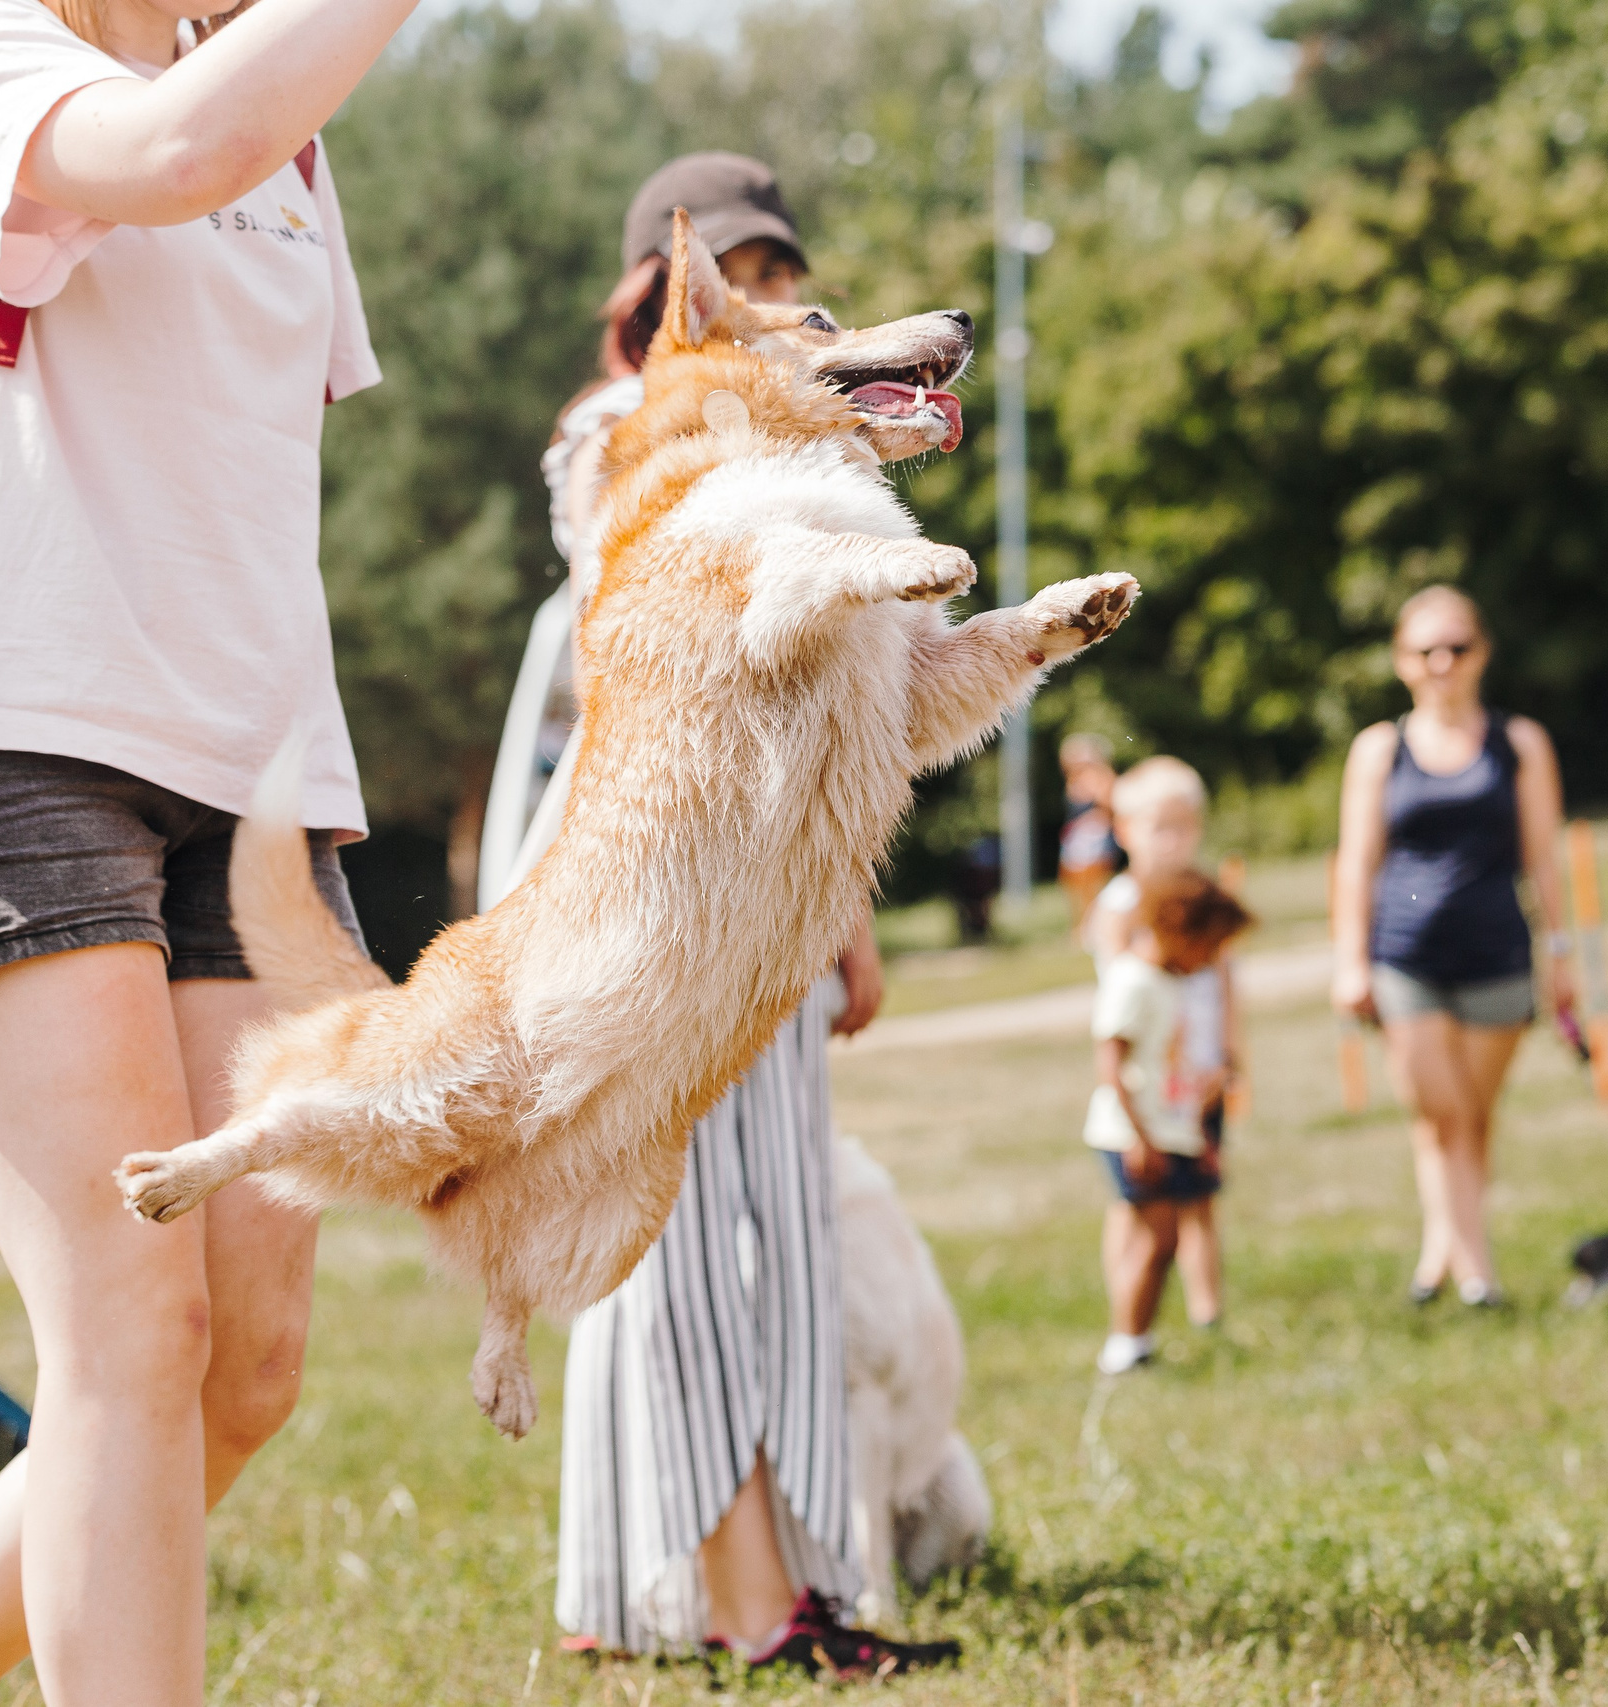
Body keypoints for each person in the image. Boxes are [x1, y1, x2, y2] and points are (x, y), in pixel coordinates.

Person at [0, 0, 402, 1699]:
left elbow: (247, 451)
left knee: (247, 1371)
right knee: (135, 1333)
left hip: (242, 772)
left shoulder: (280, 113)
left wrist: (308, 776)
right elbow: (166, 155)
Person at [538, 154, 956, 1678]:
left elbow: (837, 687)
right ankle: (744, 1595)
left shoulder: (809, 436)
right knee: (676, 1236)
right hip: (652, 876)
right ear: (664, 292)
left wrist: (841, 894)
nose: (771, 303)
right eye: (738, 277)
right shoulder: (613, 433)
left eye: (784, 275)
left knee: (771, 1222)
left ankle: (762, 1577)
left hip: (769, 867)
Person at [1330, 587, 1575, 1307]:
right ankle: (1478, 1272)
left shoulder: (1520, 742)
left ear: (1481, 654)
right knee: (1441, 1110)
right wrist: (1349, 960)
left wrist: (1562, 955)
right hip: (1405, 957)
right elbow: (1356, 862)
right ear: (1404, 662)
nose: (1443, 662)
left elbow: (1545, 858)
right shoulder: (1380, 748)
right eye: (1427, 650)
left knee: (1471, 1115)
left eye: (1457, 647)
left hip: (1497, 951)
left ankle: (1441, 1249)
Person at [1087, 755, 1239, 1331]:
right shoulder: (1123, 905)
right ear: (1125, 832)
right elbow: (1121, 992)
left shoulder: (1205, 902)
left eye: (1184, 827)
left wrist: (1229, 1057)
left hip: (1199, 1076)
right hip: (1151, 1079)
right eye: (1160, 827)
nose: (1174, 840)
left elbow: (1226, 981)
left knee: (1201, 1195)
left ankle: (1208, 1308)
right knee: (1136, 1204)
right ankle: (1128, 1309)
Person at [1087, 870, 1254, 1375]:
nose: (1209, 961)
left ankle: (1138, 1340)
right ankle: (1125, 1344)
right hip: (1132, 1134)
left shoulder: (1172, 980)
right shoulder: (1131, 980)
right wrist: (1141, 1138)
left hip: (1171, 1130)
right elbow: (1111, 1066)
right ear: (1177, 931)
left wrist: (1198, 1131)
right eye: (1207, 947)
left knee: (1167, 1239)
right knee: (1155, 1238)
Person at [1057, 732, 1123, 931]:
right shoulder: (1073, 780)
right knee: (1075, 885)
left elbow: (1109, 807)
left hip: (1094, 840)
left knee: (1093, 884)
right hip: (1076, 840)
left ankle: (1094, 926)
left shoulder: (1103, 777)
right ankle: (1083, 925)